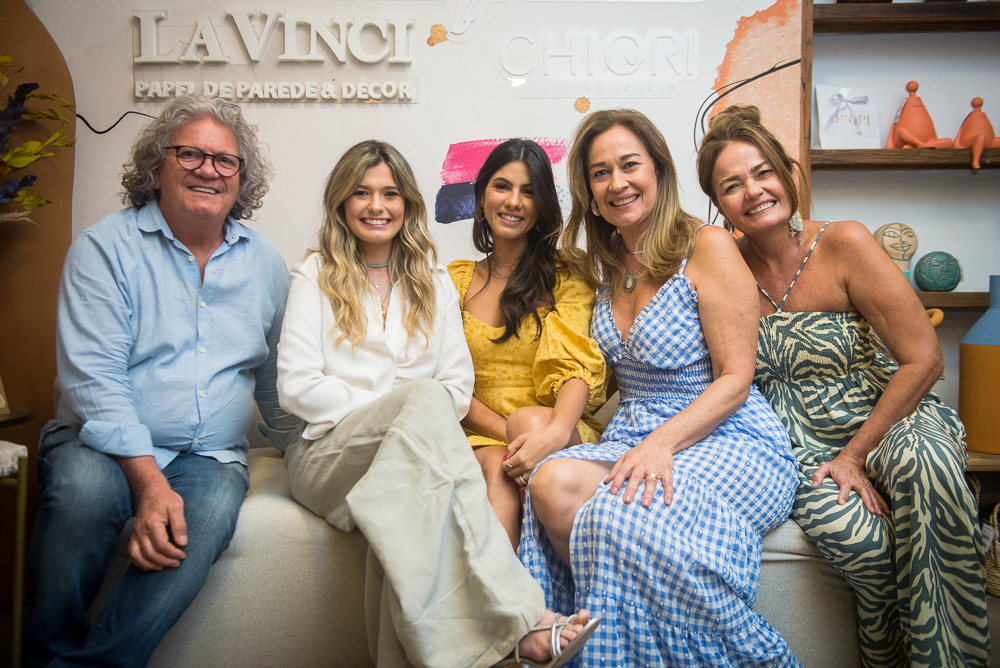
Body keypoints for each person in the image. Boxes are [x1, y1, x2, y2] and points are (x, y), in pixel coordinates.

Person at [276, 139, 599, 668]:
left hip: (404, 457)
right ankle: (521, 618)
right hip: (328, 455)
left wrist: (410, 412)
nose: (376, 205)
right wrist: (398, 407)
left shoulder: (432, 281)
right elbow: (296, 386)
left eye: (390, 193)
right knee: (423, 401)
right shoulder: (314, 274)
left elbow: (455, 386)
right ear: (340, 202)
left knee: (404, 512)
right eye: (361, 192)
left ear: (407, 204)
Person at [696, 104, 989, 668]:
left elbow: (924, 359)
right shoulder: (721, 266)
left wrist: (856, 455)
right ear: (719, 203)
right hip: (796, 445)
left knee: (927, 465)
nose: (753, 191)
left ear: (788, 174)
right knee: (862, 542)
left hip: (888, 415)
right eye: (731, 185)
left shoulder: (844, 242)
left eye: (762, 172)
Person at [23, 95, 302, 668]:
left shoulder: (267, 264)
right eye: (189, 154)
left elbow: (275, 379)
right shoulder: (103, 249)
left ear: (241, 181)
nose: (209, 170)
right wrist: (150, 485)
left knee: (204, 519)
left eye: (225, 160)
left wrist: (313, 452)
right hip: (98, 443)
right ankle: (46, 651)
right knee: (83, 493)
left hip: (209, 457)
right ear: (155, 168)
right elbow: (95, 381)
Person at [519, 108, 801, 667]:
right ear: (589, 192)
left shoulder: (708, 245)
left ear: (659, 170)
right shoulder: (602, 266)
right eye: (601, 173)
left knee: (616, 514)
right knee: (549, 484)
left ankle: (748, 655)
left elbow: (736, 379)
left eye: (630, 165)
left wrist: (660, 444)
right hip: (636, 429)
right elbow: (600, 375)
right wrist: (546, 425)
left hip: (727, 432)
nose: (617, 183)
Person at [447, 138, 607, 549]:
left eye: (529, 191)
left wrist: (553, 433)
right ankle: (510, 591)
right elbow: (445, 381)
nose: (514, 201)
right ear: (482, 195)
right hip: (481, 432)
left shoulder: (567, 275)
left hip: (555, 427)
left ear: (542, 206)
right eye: (502, 186)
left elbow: (575, 368)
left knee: (527, 425)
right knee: (497, 467)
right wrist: (508, 435)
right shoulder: (453, 282)